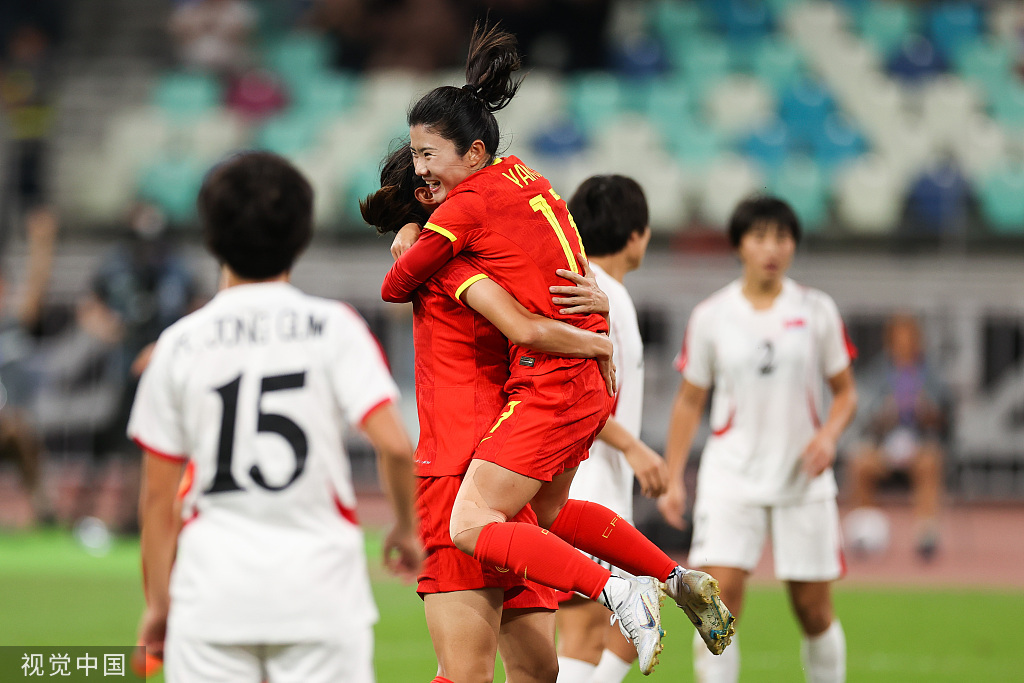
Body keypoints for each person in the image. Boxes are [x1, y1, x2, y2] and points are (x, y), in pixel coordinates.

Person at [380, 23, 734, 675]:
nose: (428, 174)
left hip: (464, 473)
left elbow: (519, 325)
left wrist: (581, 330)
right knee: (538, 666)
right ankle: (670, 576)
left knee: (468, 672)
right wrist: (596, 325)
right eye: (421, 169)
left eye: (431, 161)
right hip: (515, 461)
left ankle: (625, 588)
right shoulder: (519, 193)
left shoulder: (449, 262)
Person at [132, 151, 421, 683]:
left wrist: (157, 602)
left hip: (211, 596)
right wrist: (406, 528)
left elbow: (157, 498)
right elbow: (398, 446)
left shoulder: (177, 346)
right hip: (320, 594)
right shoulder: (334, 327)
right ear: (302, 235)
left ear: (211, 237)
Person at [363, 143, 619, 683]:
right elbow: (527, 328)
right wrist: (598, 338)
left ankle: (634, 584)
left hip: (485, 469)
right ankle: (633, 584)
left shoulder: (472, 256)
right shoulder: (454, 266)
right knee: (492, 673)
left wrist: (602, 311)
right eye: (428, 180)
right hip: (483, 472)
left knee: (506, 674)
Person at [659, 195, 858, 683]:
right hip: (732, 478)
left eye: (783, 237)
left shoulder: (817, 310)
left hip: (802, 482)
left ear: (794, 245)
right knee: (715, 605)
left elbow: (846, 393)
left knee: (813, 610)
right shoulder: (712, 315)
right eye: (760, 236)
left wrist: (830, 436)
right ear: (739, 245)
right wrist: (673, 476)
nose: (772, 248)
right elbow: (689, 401)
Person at [554, 175, 668, 683]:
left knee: (610, 627)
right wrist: (637, 448)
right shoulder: (608, 297)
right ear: (638, 235)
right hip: (590, 481)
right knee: (589, 625)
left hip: (585, 478)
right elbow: (587, 394)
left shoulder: (585, 285)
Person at [846, 313, 946, 560]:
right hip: (886, 447)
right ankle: (866, 533)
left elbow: (946, 415)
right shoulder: (879, 373)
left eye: (909, 337)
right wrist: (885, 413)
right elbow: (867, 418)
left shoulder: (930, 373)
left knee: (930, 461)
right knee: (860, 462)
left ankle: (926, 535)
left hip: (918, 446)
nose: (904, 343)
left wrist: (927, 411)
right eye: (899, 337)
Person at [0, 211, 57, 525]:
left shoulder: (13, 327)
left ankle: (43, 508)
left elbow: (37, 287)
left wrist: (42, 242)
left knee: (20, 429)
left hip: (11, 428)